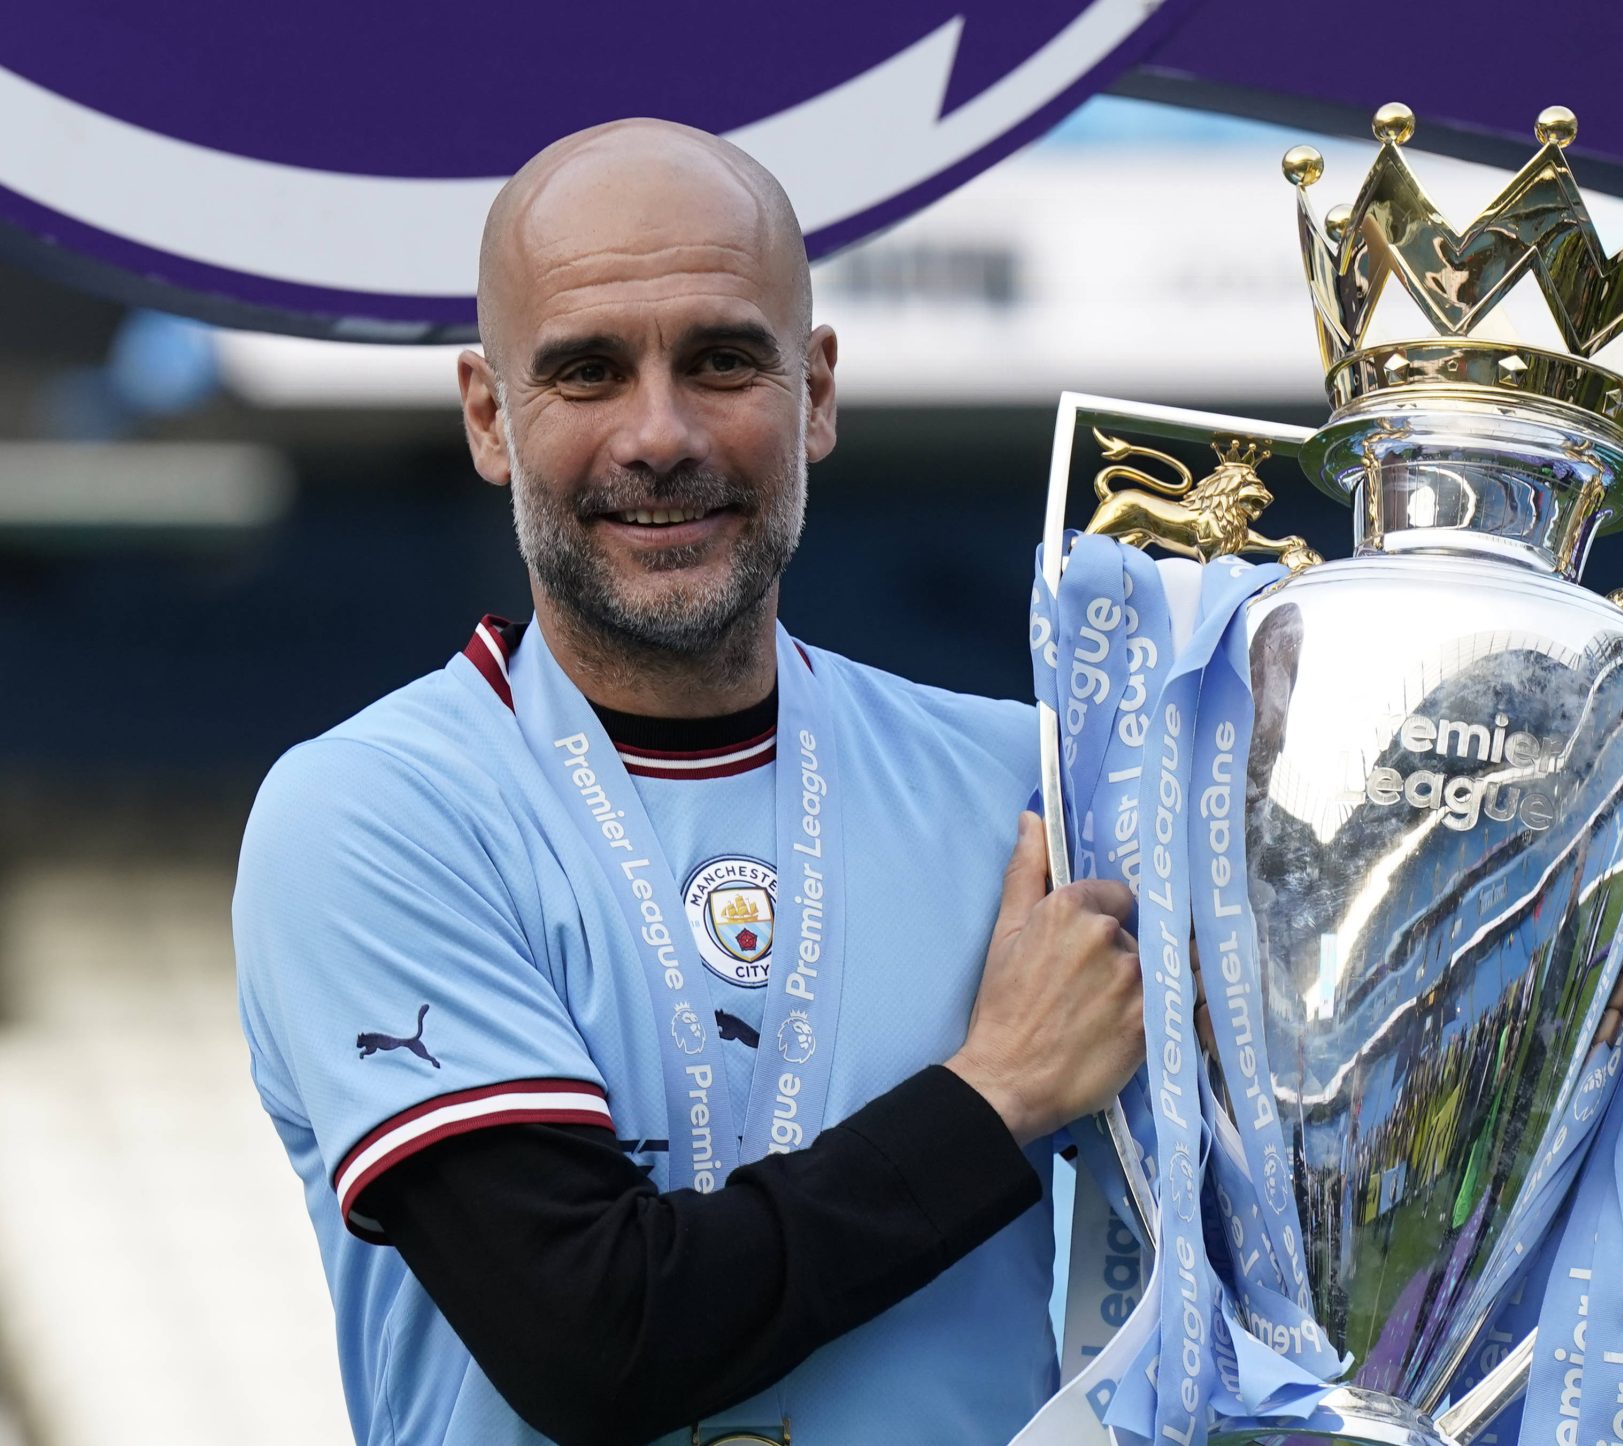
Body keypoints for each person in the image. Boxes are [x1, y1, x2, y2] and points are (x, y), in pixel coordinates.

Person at [233, 118, 1144, 1446]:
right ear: (491, 415)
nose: (658, 436)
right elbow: (590, 1335)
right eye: (589, 373)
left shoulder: (1040, 784)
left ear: (817, 392)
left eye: (720, 360)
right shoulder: (377, 813)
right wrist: (996, 1090)